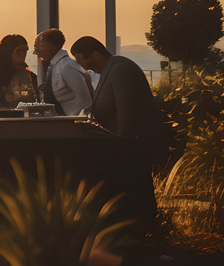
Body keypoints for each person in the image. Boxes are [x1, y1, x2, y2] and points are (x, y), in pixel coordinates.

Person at [72, 35, 164, 237]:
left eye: (82, 61)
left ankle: (136, 248)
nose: (85, 68)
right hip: (126, 149)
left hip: (132, 150)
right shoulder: (112, 68)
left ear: (95, 55)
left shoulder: (120, 69)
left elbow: (126, 113)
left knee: (134, 201)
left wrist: (121, 148)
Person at [34, 28, 92, 116]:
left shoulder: (66, 67)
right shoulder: (56, 67)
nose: (36, 52)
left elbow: (85, 100)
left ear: (51, 46)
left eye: (40, 46)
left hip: (74, 124)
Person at [0, 35, 40, 108]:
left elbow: (35, 101)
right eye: (19, 51)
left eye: (25, 51)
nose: (23, 54)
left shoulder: (30, 76)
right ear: (8, 52)